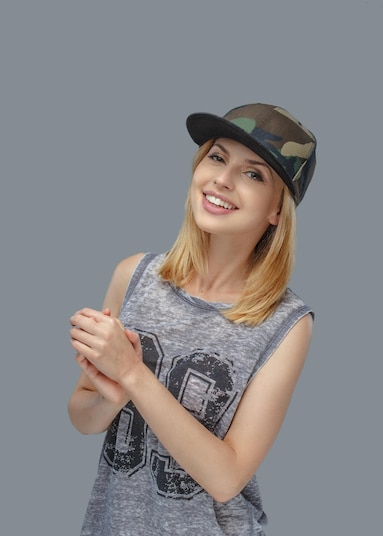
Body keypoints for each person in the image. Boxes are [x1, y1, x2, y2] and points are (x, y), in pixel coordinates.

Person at [68, 103, 318, 535]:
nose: (222, 179)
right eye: (217, 157)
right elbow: (82, 417)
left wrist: (132, 373)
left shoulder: (286, 324)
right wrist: (110, 394)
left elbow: (226, 478)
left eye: (253, 173)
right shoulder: (133, 276)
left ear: (277, 211)